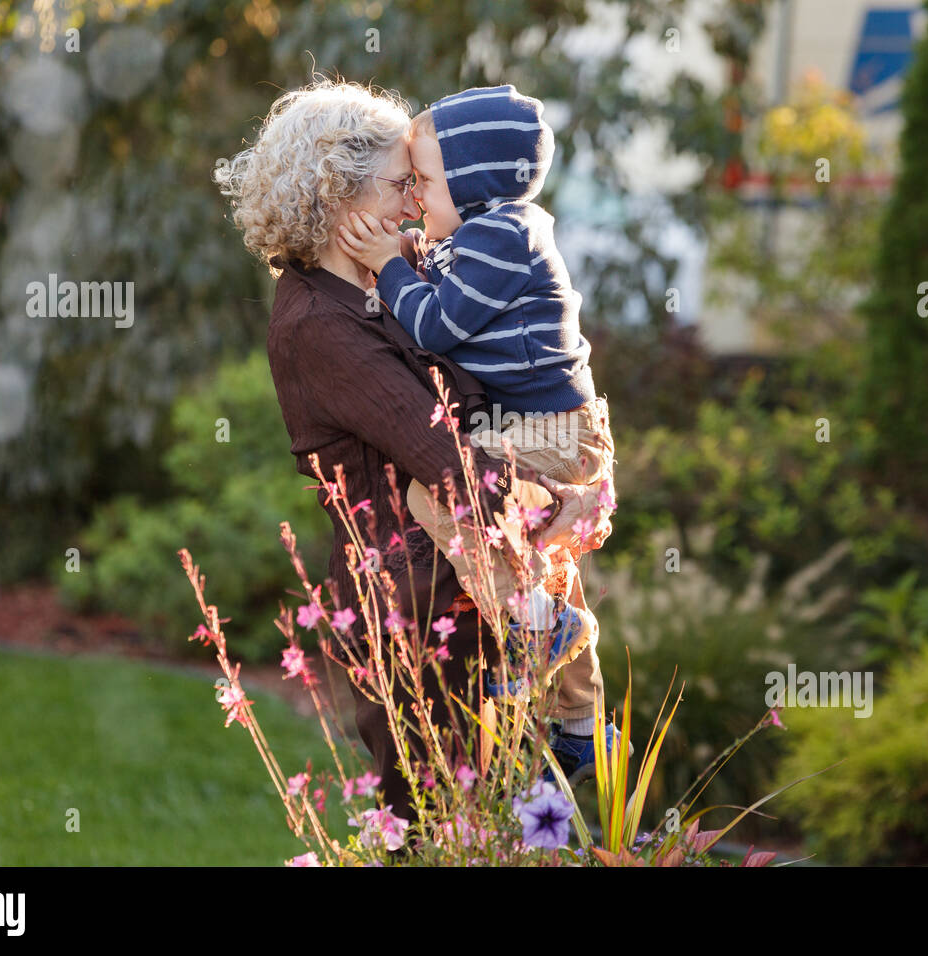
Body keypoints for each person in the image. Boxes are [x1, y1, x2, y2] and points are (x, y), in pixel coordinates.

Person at [214, 77, 614, 819]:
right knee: (435, 829)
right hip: (415, 613)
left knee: (497, 828)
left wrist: (584, 463)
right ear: (340, 197)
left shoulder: (387, 285)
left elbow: (524, 372)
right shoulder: (318, 325)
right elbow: (447, 461)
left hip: (477, 595)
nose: (414, 203)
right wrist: (572, 499)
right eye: (403, 183)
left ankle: (573, 702)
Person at [338, 86, 622, 773]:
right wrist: (404, 246)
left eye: (425, 183)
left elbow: (437, 321)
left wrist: (381, 265)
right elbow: (438, 266)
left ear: (474, 185)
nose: (415, 198)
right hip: (548, 426)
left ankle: (536, 628)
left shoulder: (502, 238)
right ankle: (582, 726)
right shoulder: (486, 231)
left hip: (552, 430)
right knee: (547, 556)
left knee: (440, 493)